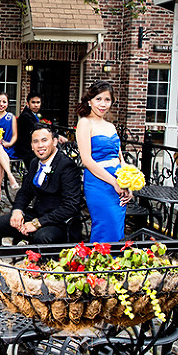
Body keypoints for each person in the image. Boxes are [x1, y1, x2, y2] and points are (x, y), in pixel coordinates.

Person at [0, 124, 82, 246]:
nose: (40, 145)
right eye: (35, 141)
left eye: (44, 140)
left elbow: (70, 206)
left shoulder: (67, 166)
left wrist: (37, 223)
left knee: (40, 238)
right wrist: (17, 211)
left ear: (54, 142)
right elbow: (25, 192)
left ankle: (33, 259)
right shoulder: (34, 162)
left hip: (60, 222)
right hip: (36, 214)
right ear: (31, 145)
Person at [76, 81, 132, 243]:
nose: (103, 104)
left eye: (107, 100)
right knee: (105, 226)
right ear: (90, 101)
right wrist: (114, 182)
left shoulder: (111, 126)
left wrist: (127, 183)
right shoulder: (84, 123)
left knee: (117, 228)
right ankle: (99, 259)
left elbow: (120, 158)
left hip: (118, 181)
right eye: (98, 99)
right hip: (99, 182)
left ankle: (113, 260)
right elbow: (86, 160)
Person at [15, 92, 42, 168]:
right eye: (33, 102)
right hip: (26, 150)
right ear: (27, 103)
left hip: (32, 147)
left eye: (38, 102)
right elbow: (37, 129)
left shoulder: (32, 114)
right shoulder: (26, 116)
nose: (36, 105)